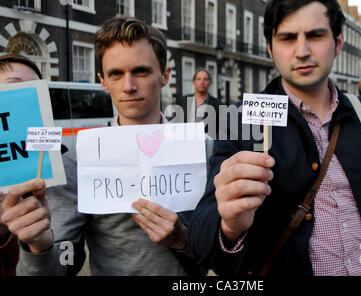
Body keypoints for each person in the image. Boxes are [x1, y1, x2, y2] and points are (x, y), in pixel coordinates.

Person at [188, 0, 361, 276]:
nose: (301, 51)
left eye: (315, 36)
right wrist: (228, 225)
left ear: (338, 41)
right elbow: (202, 239)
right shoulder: (240, 120)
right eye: (287, 38)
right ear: (270, 48)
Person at [1, 17, 204, 275]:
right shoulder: (77, 162)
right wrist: (39, 246)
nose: (129, 86)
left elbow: (222, 255)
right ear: (103, 81)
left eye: (141, 71)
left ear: (165, 75)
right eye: (116, 74)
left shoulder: (200, 151)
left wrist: (181, 239)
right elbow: (62, 266)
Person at [0, 54, 43, 276]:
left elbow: (68, 263)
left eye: (35, 90)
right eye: (15, 88)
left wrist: (40, 245)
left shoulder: (53, 174)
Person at [180, 68, 221, 138]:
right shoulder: (183, 101)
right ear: (194, 82)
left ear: (209, 82)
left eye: (205, 79)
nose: (202, 82)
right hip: (186, 143)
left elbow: (220, 130)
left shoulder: (218, 104)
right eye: (199, 79)